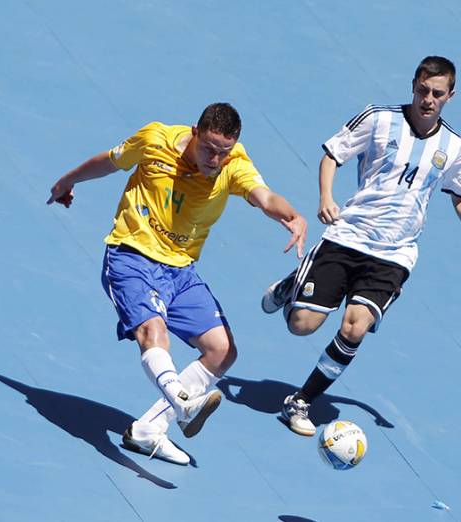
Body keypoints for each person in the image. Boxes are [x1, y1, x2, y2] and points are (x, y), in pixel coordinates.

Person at [47, 103, 307, 464]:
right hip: (131, 254)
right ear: (195, 132)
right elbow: (110, 160)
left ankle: (148, 430)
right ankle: (184, 404)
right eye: (209, 148)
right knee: (153, 333)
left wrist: (291, 215)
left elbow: (264, 198)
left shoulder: (234, 165)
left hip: (180, 271)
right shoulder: (156, 140)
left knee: (222, 350)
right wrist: (68, 179)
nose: (215, 159)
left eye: (224, 151)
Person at [261, 56, 461, 436]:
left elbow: (460, 194)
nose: (428, 99)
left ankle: (301, 401)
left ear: (451, 95)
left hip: (394, 254)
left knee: (354, 328)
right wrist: (325, 197)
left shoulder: (455, 147)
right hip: (348, 236)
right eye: (423, 90)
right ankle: (295, 284)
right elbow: (332, 155)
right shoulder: (379, 119)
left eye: (438, 94)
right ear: (413, 85)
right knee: (302, 325)